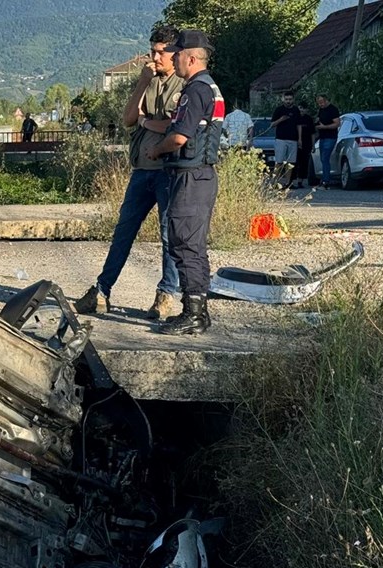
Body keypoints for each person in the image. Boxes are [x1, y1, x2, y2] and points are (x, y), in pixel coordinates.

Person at [73, 24, 185, 320]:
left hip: (168, 170)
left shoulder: (184, 85)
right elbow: (127, 118)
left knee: (167, 234)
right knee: (123, 232)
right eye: (152, 52)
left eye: (160, 53)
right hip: (141, 170)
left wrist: (148, 122)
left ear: (175, 54)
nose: (154, 58)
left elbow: (176, 127)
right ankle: (101, 291)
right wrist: (142, 83)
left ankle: (165, 294)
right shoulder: (148, 79)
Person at [144, 29, 224, 335]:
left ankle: (192, 314)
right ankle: (198, 310)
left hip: (190, 177)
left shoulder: (195, 90)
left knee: (184, 243)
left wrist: (156, 149)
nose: (172, 58)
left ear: (190, 58)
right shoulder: (211, 87)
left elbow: (179, 136)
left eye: (176, 54)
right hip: (201, 176)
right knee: (194, 245)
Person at [269, 92, 300, 188]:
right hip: (281, 139)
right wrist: (281, 119)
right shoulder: (279, 110)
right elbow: (272, 125)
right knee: (279, 161)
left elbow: (299, 125)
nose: (288, 101)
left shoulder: (296, 110)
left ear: (293, 99)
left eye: (290, 99)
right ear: (283, 99)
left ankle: (288, 183)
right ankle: (275, 182)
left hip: (293, 139)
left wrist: (300, 138)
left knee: (290, 162)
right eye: (286, 99)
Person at [314, 94, 340, 187]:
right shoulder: (321, 110)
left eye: (321, 102)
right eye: (319, 103)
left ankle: (326, 180)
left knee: (325, 158)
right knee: (322, 158)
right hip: (322, 137)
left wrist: (325, 127)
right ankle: (324, 178)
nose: (320, 105)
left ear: (326, 100)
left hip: (330, 137)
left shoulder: (333, 110)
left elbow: (337, 124)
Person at [293, 103, 315, 189]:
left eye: (303, 108)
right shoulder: (295, 118)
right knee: (294, 162)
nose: (301, 110)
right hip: (295, 143)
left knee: (304, 163)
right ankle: (292, 181)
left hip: (307, 143)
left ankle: (300, 181)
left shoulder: (309, 119)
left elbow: (312, 133)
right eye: (300, 108)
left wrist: (313, 145)